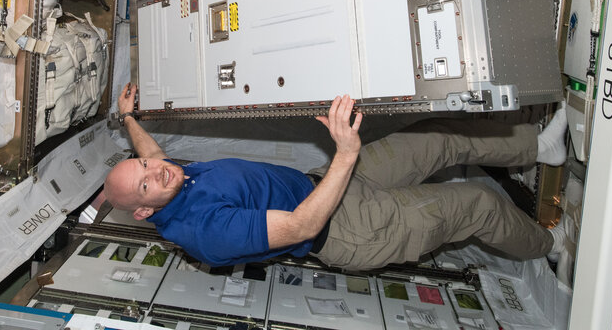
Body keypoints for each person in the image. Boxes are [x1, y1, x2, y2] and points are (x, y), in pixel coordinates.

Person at [103, 82, 571, 272]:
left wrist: (129, 120)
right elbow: (302, 227)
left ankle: (539, 148)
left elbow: (154, 156)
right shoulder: (205, 232)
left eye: (144, 166)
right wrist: (346, 155)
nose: (157, 170)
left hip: (324, 182)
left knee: (438, 138)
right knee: (478, 206)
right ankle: (553, 247)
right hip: (349, 230)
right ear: (144, 210)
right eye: (145, 183)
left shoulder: (169, 180)